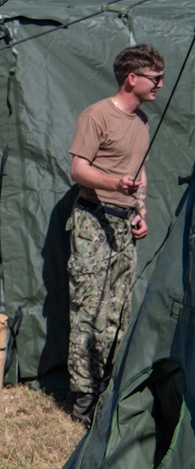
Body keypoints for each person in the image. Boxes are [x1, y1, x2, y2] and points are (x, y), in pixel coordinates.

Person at [66, 43, 164, 426]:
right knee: (88, 310)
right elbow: (78, 169)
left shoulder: (142, 121)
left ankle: (107, 391)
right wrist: (112, 183)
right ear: (132, 78)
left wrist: (140, 209)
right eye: (154, 78)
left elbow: (139, 173)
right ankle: (83, 401)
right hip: (92, 222)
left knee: (118, 312)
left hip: (124, 224)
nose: (159, 85)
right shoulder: (97, 117)